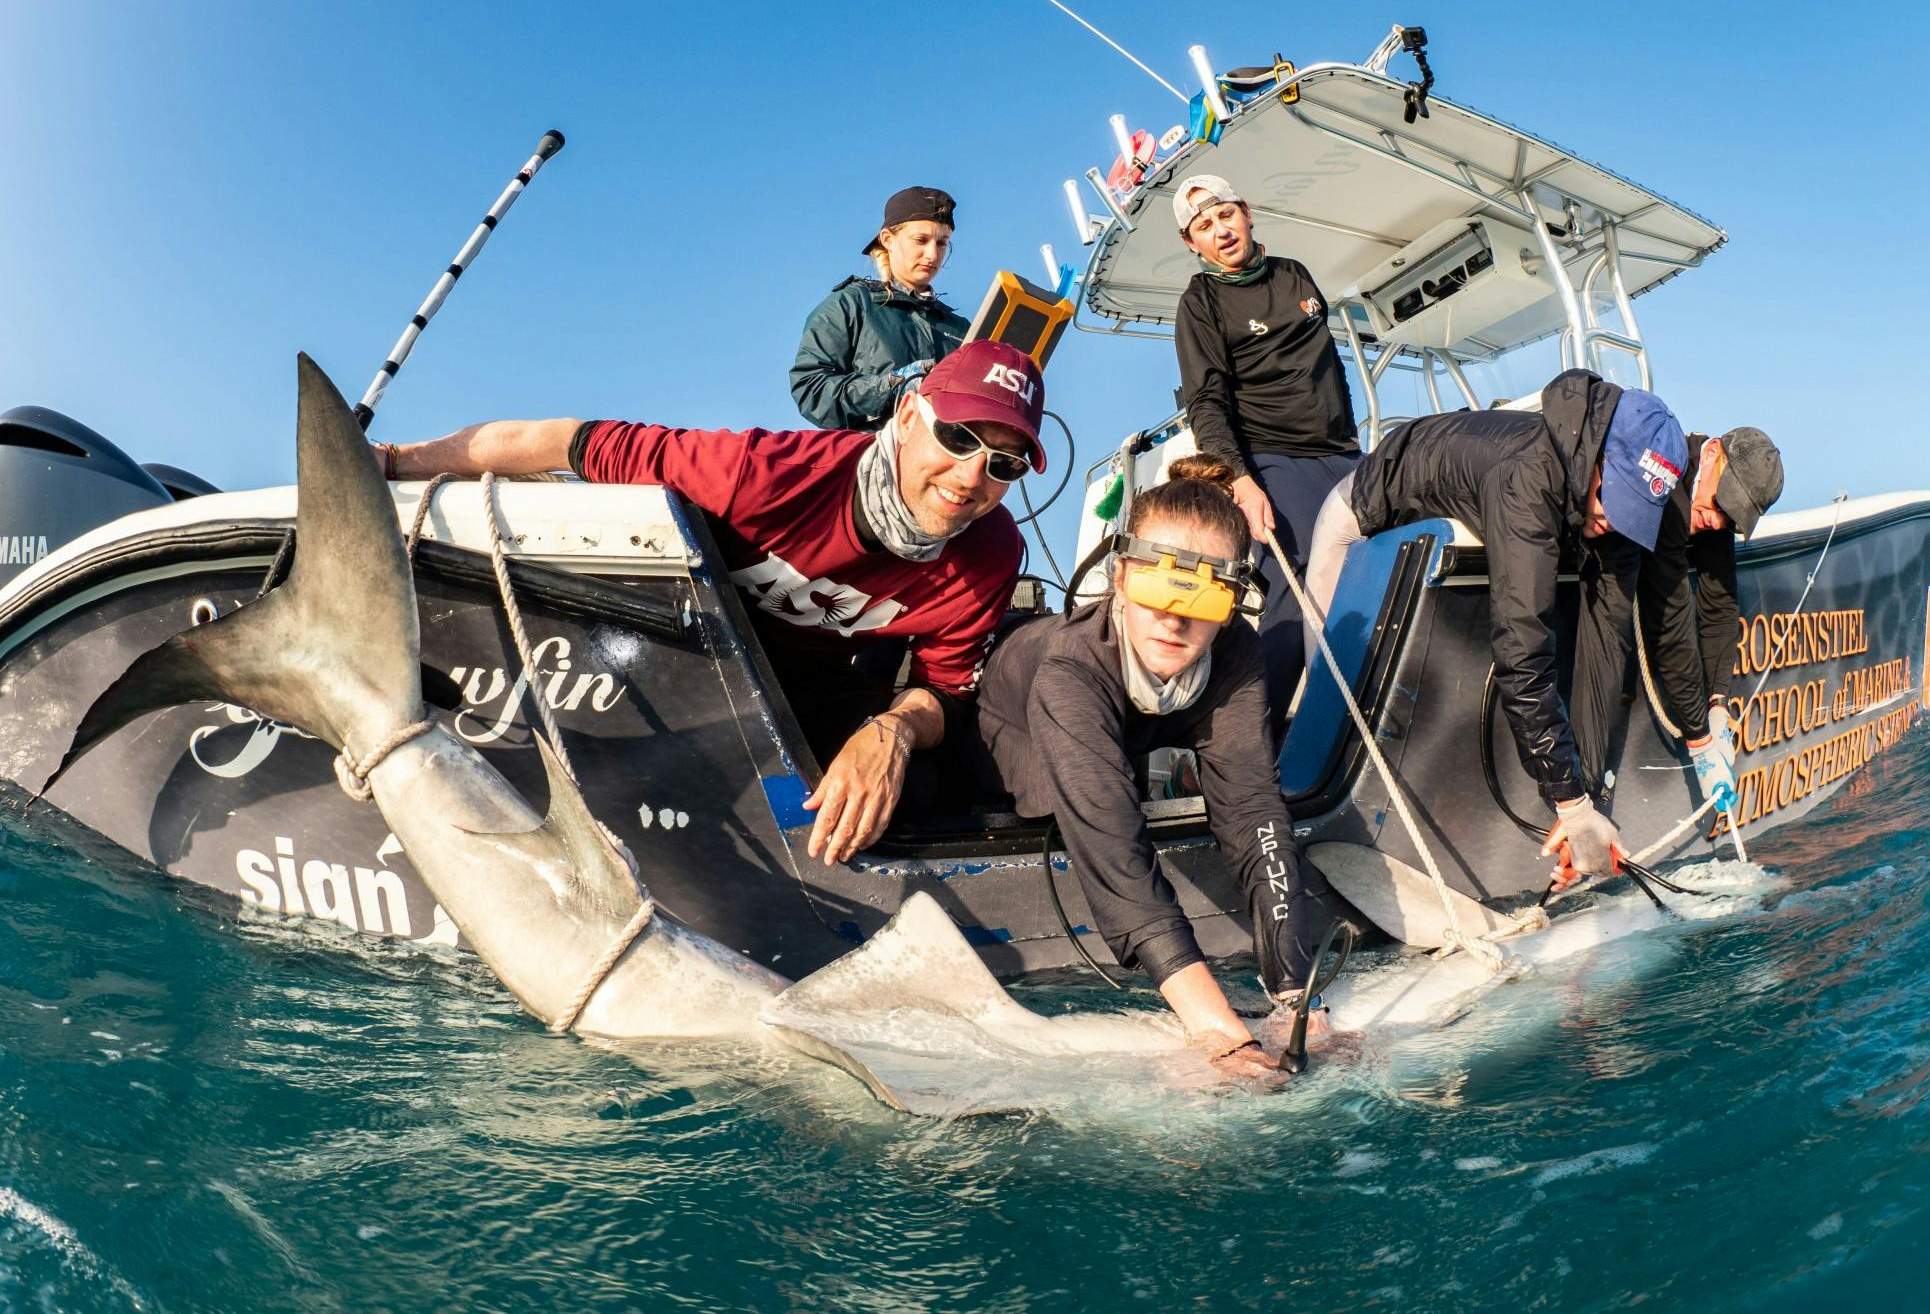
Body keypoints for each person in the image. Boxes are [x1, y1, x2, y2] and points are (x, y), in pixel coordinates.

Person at [374, 340, 1044, 866]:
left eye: (1004, 465)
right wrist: (396, 460)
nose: (970, 477)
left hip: (809, 691)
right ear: (906, 417)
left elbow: (944, 687)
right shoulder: (762, 473)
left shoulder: (989, 552)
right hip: (674, 664)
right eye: (958, 438)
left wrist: (892, 731)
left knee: (925, 793)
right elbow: (564, 442)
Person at [972, 453, 1331, 1075]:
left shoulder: (1235, 653)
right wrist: (1221, 1033)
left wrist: (1297, 996)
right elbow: (1115, 852)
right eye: (1158, 586)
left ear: (1232, 600)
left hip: (1131, 727)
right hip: (999, 735)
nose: (1175, 615)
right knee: (1066, 805)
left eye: (1205, 595)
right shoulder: (1069, 669)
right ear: (1119, 576)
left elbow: (1252, 811)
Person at [1302, 369, 1688, 886]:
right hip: (1361, 516)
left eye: (1634, 512)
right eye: (1614, 501)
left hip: (1447, 515)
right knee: (1323, 702)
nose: (1614, 521)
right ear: (1597, 459)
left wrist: (1586, 801)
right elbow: (1522, 651)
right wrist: (1569, 803)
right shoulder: (1528, 477)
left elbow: (1605, 650)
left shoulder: (1610, 510)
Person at [1169, 173, 1362, 731]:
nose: (1220, 230)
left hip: (1341, 452)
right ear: (1192, 243)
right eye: (1203, 227)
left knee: (1379, 561)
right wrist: (1240, 482)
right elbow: (1205, 403)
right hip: (1271, 457)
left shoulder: (1293, 273)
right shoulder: (1200, 302)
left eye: (1225, 215)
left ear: (1246, 212)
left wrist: (1354, 441)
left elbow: (1329, 365)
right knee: (1298, 582)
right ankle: (1254, 741)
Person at [1576, 426, 1786, 818]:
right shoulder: (1671, 488)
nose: (1717, 521)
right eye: (1721, 503)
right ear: (1710, 456)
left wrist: (1718, 703)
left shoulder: (1709, 509)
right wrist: (1701, 740)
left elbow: (1720, 605)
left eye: (1732, 516)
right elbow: (1672, 631)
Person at [791, 185, 969, 430]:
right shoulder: (851, 304)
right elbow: (811, 390)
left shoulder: (961, 329)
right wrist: (893, 385)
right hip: (871, 459)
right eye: (921, 240)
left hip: (946, 462)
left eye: (941, 243)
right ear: (888, 239)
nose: (932, 254)